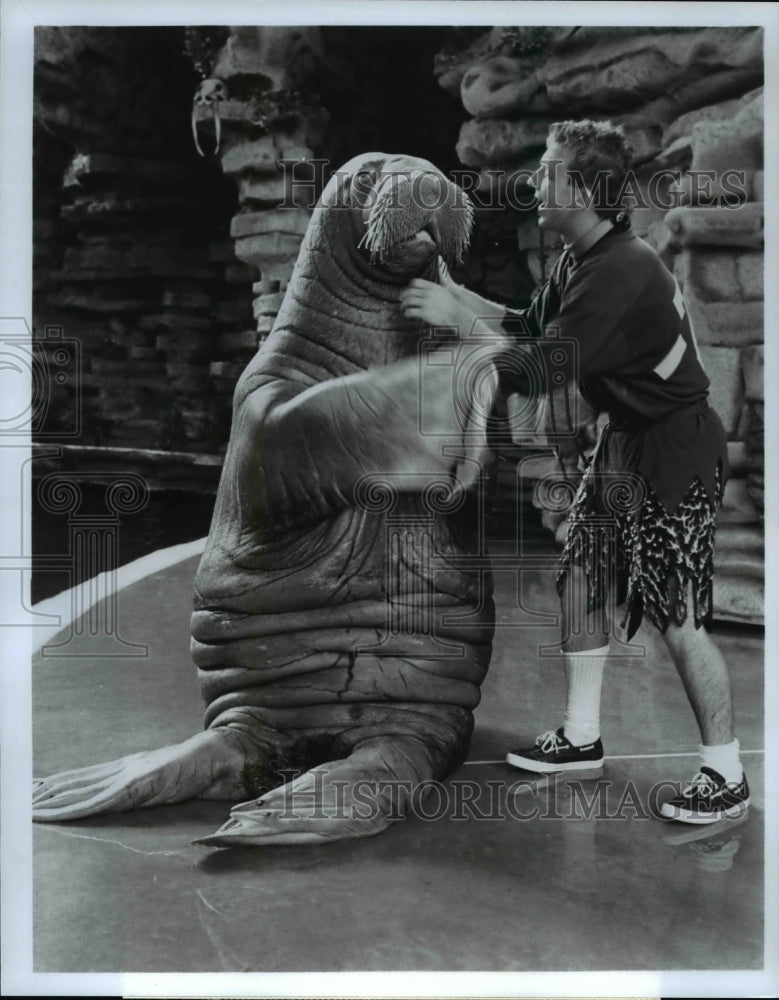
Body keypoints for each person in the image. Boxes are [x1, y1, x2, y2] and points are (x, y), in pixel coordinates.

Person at [399, 119, 749, 825]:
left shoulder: (619, 271)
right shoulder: (579, 259)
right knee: (583, 578)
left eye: (551, 174)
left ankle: (725, 772)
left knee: (673, 616)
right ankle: (581, 737)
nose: (536, 185)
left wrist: (455, 321)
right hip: (626, 437)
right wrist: (456, 292)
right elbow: (530, 328)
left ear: (585, 191)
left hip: (672, 447)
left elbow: (535, 373)